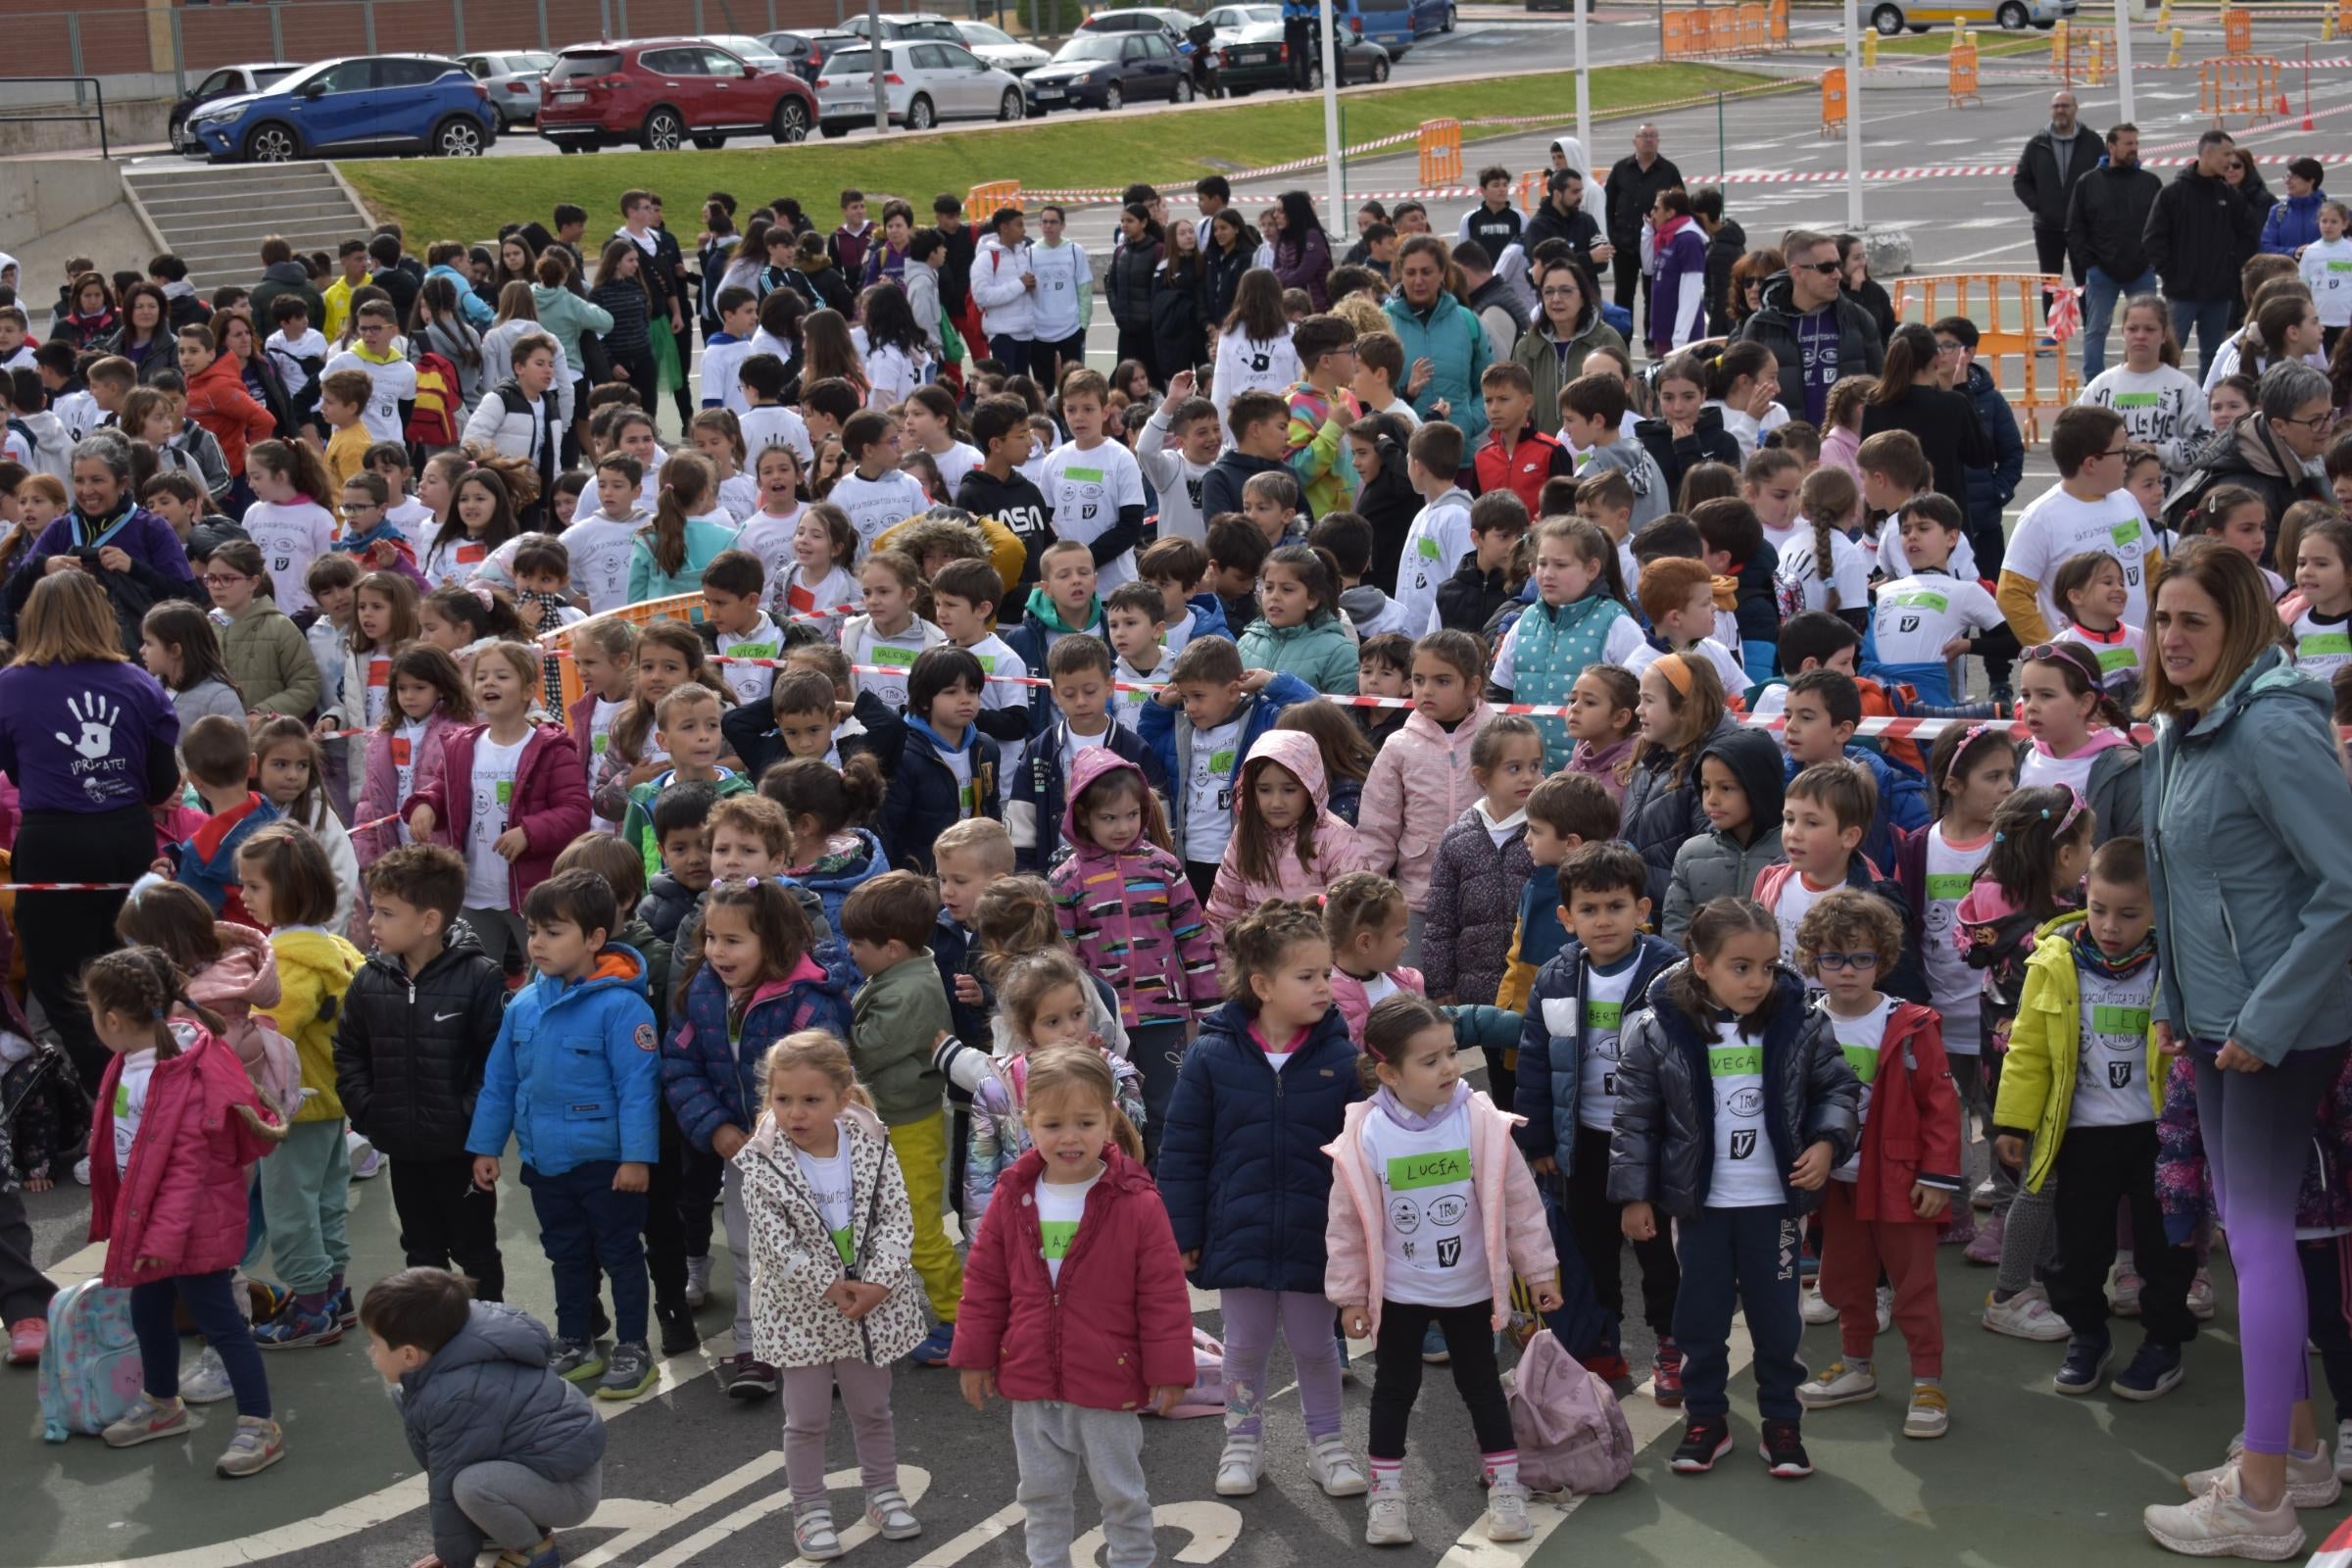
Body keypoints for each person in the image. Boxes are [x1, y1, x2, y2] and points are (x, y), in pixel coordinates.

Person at [2136, 541, 2352, 1558]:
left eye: (2195, 623)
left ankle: (2264, 1497)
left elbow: (2345, 884)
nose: (2173, 639)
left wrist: (2264, 1025)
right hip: (2221, 1027)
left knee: (2261, 1240)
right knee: (2244, 1233)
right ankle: (2294, 1450)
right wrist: (2186, 1007)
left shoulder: (2270, 729)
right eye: (2164, 620)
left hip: (2277, 1030)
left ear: (2242, 630)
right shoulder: (2186, 728)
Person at [1611, 898, 1860, 1480]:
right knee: (1700, 1316)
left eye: (1769, 966)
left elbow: (1838, 1089)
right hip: (1700, 1208)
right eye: (1740, 967)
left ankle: (1781, 1422)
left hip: (1774, 1206)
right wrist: (1634, 1195)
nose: (1758, 980)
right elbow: (1634, 1119)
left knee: (1778, 1321)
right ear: (1701, 965)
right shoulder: (1658, 1029)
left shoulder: (1801, 1020)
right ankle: (1706, 1420)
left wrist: (1826, 1143)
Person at [1326, 992, 1557, 1544]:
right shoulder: (1365, 1136)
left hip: (1472, 1288)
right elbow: (1347, 1227)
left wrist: (1540, 1269)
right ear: (1388, 1071)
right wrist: (1351, 1296)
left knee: (1482, 1386)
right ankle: (1386, 1496)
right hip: (1401, 1293)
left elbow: (1520, 1205)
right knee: (1393, 1391)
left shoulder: (1479, 1122)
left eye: (1451, 1053)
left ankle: (1505, 1486)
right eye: (1430, 1061)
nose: (1450, 1068)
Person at [1157, 898, 1366, 1498]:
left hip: (1314, 1234)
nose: (1325, 986)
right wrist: (1183, 1235)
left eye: (1327, 973)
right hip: (1238, 1230)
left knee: (1317, 1347)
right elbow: (1184, 1150)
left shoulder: (1340, 1058)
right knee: (1243, 1348)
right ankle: (1241, 1444)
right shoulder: (1212, 1054)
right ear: (1262, 985)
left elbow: (1361, 1156)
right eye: (1308, 976)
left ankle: (1327, 1446)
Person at [82, 947, 286, 1475]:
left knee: (219, 1320)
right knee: (147, 1312)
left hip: (190, 1228)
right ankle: (161, 1401)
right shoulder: (130, 1060)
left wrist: (159, 1242)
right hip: (155, 1226)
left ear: (111, 1018)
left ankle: (260, 1424)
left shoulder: (181, 1073)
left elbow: (185, 1173)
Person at [732, 1028, 927, 1559]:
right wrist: (828, 1285)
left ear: (843, 1099)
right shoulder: (761, 1161)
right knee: (807, 1419)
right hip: (802, 1313)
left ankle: (882, 1493)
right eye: (783, 1099)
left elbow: (895, 1217)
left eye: (811, 1100)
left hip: (868, 1307)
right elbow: (773, 1243)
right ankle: (809, 1508)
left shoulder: (872, 1141)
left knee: (873, 1409)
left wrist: (881, 1281)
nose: (796, 1112)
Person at [0, 570, 179, 1088]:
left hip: (53, 840)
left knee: (59, 979)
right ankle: (146, 1086)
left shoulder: (11, 685)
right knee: (135, 969)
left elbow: (11, 768)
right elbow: (162, 781)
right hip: (126, 839)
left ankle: (110, 1093)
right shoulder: (137, 682)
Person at [335, 845, 509, 1301]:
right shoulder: (369, 981)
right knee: (421, 1252)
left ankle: (490, 1337)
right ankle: (436, 1345)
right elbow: (349, 1053)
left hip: (463, 1153)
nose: (372, 923)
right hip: (404, 1152)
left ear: (429, 922)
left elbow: (497, 1065)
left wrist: (467, 1121)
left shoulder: (479, 978)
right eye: (374, 910)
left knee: (476, 1252)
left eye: (387, 913)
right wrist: (372, 1113)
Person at [363, 1268, 606, 1568]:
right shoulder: (455, 1347)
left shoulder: (454, 1396)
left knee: (470, 1485)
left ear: (410, 1355)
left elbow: (447, 1477)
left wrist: (454, 1557)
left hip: (570, 1490)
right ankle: (502, 1527)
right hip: (547, 1468)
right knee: (459, 1467)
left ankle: (534, 1551)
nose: (371, 1350)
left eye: (376, 1343)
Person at [2166, 361, 2336, 544]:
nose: (2328, 427)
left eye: (2330, 414)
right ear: (2279, 426)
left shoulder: (2308, 463)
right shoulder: (2247, 489)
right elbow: (2261, 564)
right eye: (2315, 421)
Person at [2144, 130, 2269, 377]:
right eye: (2225, 154)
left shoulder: (2228, 195)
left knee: (2213, 356)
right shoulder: (2173, 194)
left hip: (2219, 293)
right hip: (2181, 292)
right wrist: (2172, 274)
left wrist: (2232, 269)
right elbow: (2153, 239)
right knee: (2169, 352)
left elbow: (2249, 234)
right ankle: (2167, 399)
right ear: (2207, 153)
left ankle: (2208, 404)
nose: (2229, 160)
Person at [1734, 230, 1886, 425]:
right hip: (1786, 446)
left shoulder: (1858, 319)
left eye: (1838, 265)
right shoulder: (1761, 326)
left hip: (1847, 446)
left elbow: (1880, 388)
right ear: (1797, 273)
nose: (1838, 275)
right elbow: (1743, 394)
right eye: (1827, 268)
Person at [1859, 323, 1993, 512]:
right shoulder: (1954, 404)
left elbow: (1866, 460)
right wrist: (1964, 392)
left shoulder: (1876, 403)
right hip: (1943, 519)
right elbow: (1981, 456)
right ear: (1936, 360)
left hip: (1889, 517)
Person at [2068, 124, 2165, 382]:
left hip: (2141, 271)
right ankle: (2093, 386)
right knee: (2096, 329)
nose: (2134, 149)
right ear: (2111, 147)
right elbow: (2075, 228)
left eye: (2135, 144)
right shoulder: (2088, 183)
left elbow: (2163, 225)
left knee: (2148, 328)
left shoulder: (2149, 182)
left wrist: (2152, 259)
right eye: (2128, 144)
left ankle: (2147, 377)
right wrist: (2089, 263)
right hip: (2102, 272)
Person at [1602, 124, 1683, 341]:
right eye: (1644, 136)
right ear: (1634, 140)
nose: (1649, 140)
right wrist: (1614, 235)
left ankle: (1652, 339)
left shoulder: (1669, 171)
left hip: (1658, 244)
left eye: (1653, 136)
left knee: (1654, 294)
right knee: (1624, 295)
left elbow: (1680, 205)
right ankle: (1621, 340)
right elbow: (1608, 204)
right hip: (1625, 245)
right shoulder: (1620, 169)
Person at [2014, 91, 2099, 288]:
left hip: (2083, 227)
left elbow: (2103, 177)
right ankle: (2052, 320)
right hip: (2047, 227)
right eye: (2056, 106)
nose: (2060, 110)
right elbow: (2020, 180)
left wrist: (2093, 209)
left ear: (2075, 109)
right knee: (2050, 282)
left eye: (2065, 106)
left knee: (2086, 281)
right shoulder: (2037, 144)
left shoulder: (2092, 142)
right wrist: (2039, 206)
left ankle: (2089, 320)